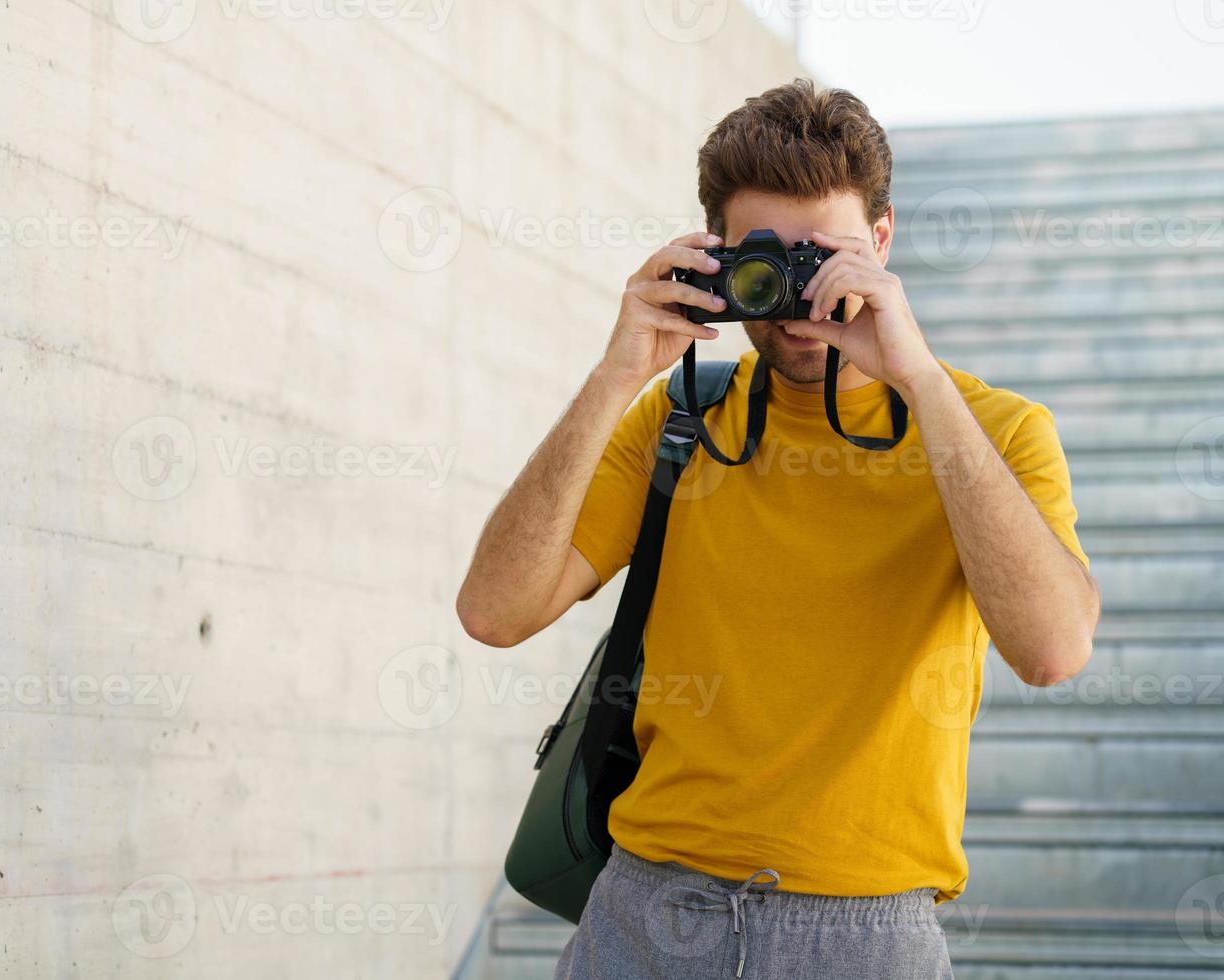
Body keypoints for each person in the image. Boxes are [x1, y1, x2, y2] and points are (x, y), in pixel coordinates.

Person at [455, 78, 1101, 979]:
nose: (798, 299)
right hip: (647, 911)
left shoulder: (997, 433)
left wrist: (918, 380)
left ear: (880, 241)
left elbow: (1053, 650)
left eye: (826, 258)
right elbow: (493, 611)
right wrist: (616, 377)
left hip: (867, 934)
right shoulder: (675, 423)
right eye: (769, 261)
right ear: (717, 256)